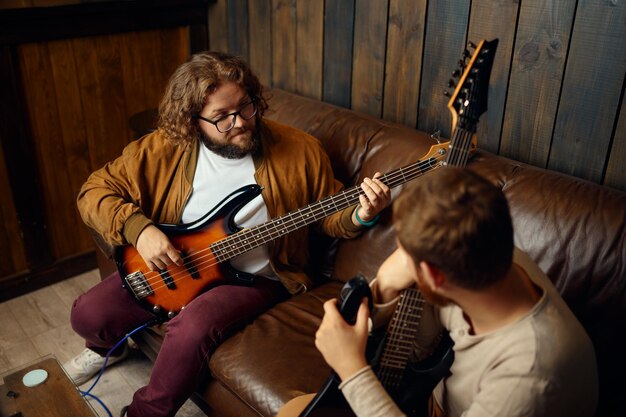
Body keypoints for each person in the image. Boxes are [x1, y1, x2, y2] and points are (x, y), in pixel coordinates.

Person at [63, 51, 391, 417]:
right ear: (193, 120)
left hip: (255, 278)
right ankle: (115, 346)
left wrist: (361, 214)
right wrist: (140, 231)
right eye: (221, 117)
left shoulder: (300, 151)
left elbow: (329, 215)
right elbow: (93, 191)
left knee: (192, 328)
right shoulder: (163, 148)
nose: (239, 122)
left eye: (245, 107)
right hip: (181, 263)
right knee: (87, 315)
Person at [313, 167, 598, 417]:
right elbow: (416, 346)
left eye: (405, 254)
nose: (400, 260)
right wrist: (385, 285)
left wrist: (352, 370)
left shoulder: (530, 378)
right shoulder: (487, 257)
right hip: (437, 398)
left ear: (435, 277)